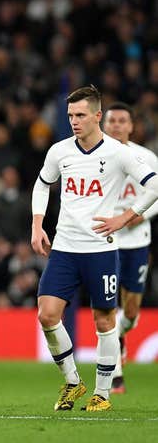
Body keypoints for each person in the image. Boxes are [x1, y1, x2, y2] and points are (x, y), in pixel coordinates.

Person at [31, 86, 158, 412]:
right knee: (47, 314)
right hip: (64, 247)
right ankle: (73, 381)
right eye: (71, 115)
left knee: (104, 320)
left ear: (97, 116)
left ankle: (102, 393)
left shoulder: (119, 153)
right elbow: (43, 183)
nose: (74, 121)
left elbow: (154, 185)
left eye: (81, 115)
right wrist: (37, 223)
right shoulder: (60, 151)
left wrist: (127, 216)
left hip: (100, 249)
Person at [102, 102, 158, 393]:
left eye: (123, 121)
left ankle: (121, 336)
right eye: (112, 121)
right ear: (104, 124)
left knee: (132, 311)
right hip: (105, 240)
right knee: (108, 305)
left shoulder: (146, 157)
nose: (117, 126)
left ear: (131, 126)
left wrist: (140, 215)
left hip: (137, 239)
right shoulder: (95, 157)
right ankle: (116, 375)